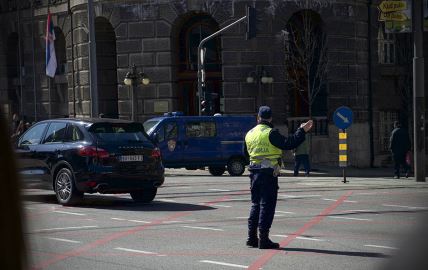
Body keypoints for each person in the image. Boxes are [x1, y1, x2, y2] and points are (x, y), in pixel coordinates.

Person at [244, 106, 313, 249]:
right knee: (266, 206)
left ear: (258, 118)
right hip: (268, 174)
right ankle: (263, 239)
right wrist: (302, 130)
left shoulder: (249, 133)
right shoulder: (271, 133)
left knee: (255, 205)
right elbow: (289, 144)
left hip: (254, 173)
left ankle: (251, 238)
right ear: (270, 118)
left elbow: (246, 154)